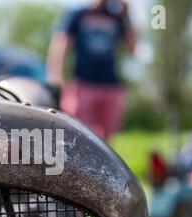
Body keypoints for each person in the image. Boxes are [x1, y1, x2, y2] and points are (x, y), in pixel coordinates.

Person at [47, 0, 137, 140]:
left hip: (111, 85)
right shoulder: (78, 15)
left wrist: (127, 17)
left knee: (107, 142)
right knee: (80, 135)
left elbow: (132, 49)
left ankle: (102, 162)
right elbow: (61, 46)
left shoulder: (117, 17)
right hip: (83, 84)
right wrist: (57, 77)